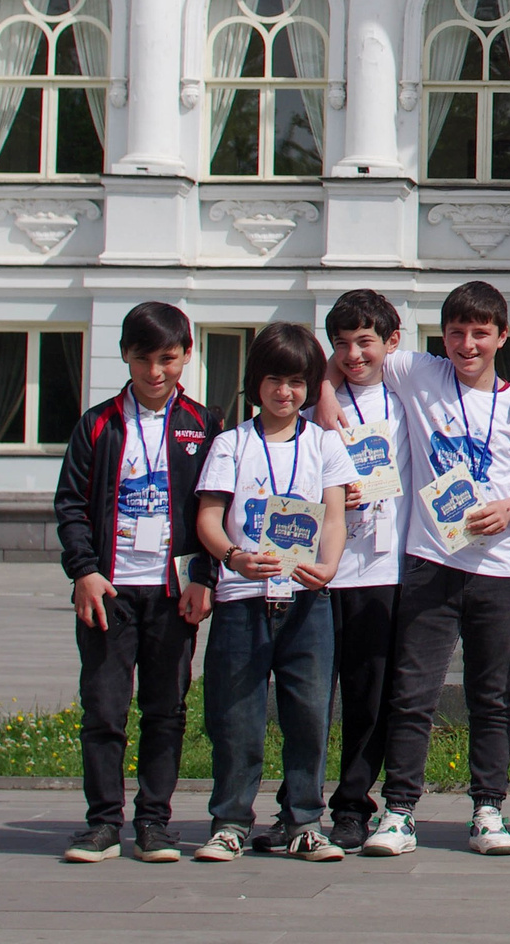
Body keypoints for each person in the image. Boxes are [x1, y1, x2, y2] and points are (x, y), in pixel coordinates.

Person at [329, 281, 510, 859]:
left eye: (481, 333)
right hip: (429, 563)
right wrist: (327, 396)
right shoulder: (419, 373)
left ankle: (488, 809)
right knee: (412, 691)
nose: (467, 344)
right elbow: (350, 354)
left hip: (499, 569)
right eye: (456, 333)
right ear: (440, 337)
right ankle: (400, 811)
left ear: (503, 338)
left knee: (491, 695)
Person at [51, 301, 220, 864]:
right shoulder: (97, 424)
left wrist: (203, 576)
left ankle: (154, 823)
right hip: (110, 592)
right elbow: (71, 504)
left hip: (173, 594)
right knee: (103, 707)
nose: (155, 373)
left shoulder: (203, 425)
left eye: (168, 359)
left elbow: (216, 508)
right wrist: (85, 571)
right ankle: (102, 824)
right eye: (143, 359)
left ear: (186, 356)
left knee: (166, 709)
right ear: (124, 355)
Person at [192, 324, 351, 862]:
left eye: (298, 381)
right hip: (242, 601)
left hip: (308, 602)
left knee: (309, 713)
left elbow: (334, 515)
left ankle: (305, 820)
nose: (286, 392)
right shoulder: (230, 443)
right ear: (254, 382)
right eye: (274, 380)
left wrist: (328, 566)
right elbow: (209, 519)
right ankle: (230, 821)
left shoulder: (324, 443)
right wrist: (233, 557)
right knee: (236, 716)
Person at [319, 289, 411, 850]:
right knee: (309, 695)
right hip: (323, 570)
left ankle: (353, 802)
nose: (354, 355)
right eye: (342, 345)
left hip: (385, 567)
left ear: (391, 343)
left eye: (365, 343)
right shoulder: (316, 405)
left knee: (370, 696)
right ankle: (296, 802)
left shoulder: (407, 399)